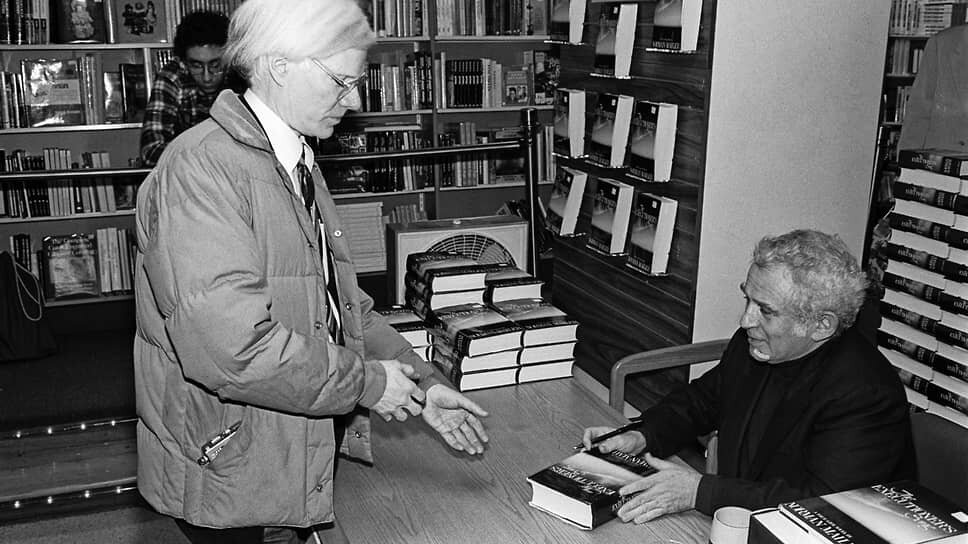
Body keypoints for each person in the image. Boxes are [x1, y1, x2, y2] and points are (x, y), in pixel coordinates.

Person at [133, 0, 489, 542]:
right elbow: (233, 351)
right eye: (341, 81)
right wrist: (370, 385)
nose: (353, 100)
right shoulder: (200, 170)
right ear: (278, 66)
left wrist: (419, 384)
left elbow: (339, 306)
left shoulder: (293, 155)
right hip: (233, 468)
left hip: (285, 448)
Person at [582, 229, 913, 522]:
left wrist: (700, 492)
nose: (745, 320)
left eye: (765, 310)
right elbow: (702, 401)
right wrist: (643, 435)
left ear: (821, 325)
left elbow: (821, 504)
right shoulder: (757, 342)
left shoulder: (866, 394)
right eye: (748, 299)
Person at [139, 11, 232, 167]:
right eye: (196, 65)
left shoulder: (242, 74)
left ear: (230, 58)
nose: (207, 76)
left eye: (215, 65)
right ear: (183, 61)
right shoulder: (172, 77)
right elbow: (151, 151)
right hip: (188, 178)